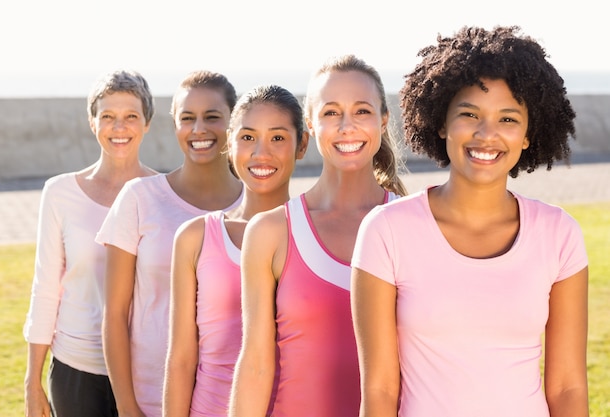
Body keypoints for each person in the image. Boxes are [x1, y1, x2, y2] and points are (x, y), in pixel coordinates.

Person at [351, 25, 589, 417]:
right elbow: (379, 391)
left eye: (508, 119)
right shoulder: (386, 231)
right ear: (442, 122)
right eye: (469, 114)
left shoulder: (559, 234)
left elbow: (567, 387)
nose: (486, 134)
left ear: (529, 134)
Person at [229, 54, 407, 417]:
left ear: (383, 121)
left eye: (361, 111)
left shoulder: (414, 224)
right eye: (330, 112)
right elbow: (256, 365)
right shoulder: (271, 232)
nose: (347, 126)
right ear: (310, 124)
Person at [96, 70, 244, 417]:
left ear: (234, 123)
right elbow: (115, 315)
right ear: (174, 124)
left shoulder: (258, 209)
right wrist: (127, 407)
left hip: (233, 402)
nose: (198, 130)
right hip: (151, 401)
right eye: (187, 118)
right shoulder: (139, 198)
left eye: (212, 117)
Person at [163, 84, 309, 417]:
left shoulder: (315, 235)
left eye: (277, 138)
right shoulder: (195, 238)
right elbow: (182, 357)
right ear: (229, 143)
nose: (261, 153)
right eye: (247, 138)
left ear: (302, 145)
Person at [23, 69, 158, 417]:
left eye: (131, 117)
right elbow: (45, 289)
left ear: (147, 123)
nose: (119, 128)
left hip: (146, 371)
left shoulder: (163, 195)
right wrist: (31, 382)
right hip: (75, 371)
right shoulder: (59, 193)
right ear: (92, 122)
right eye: (108, 117)